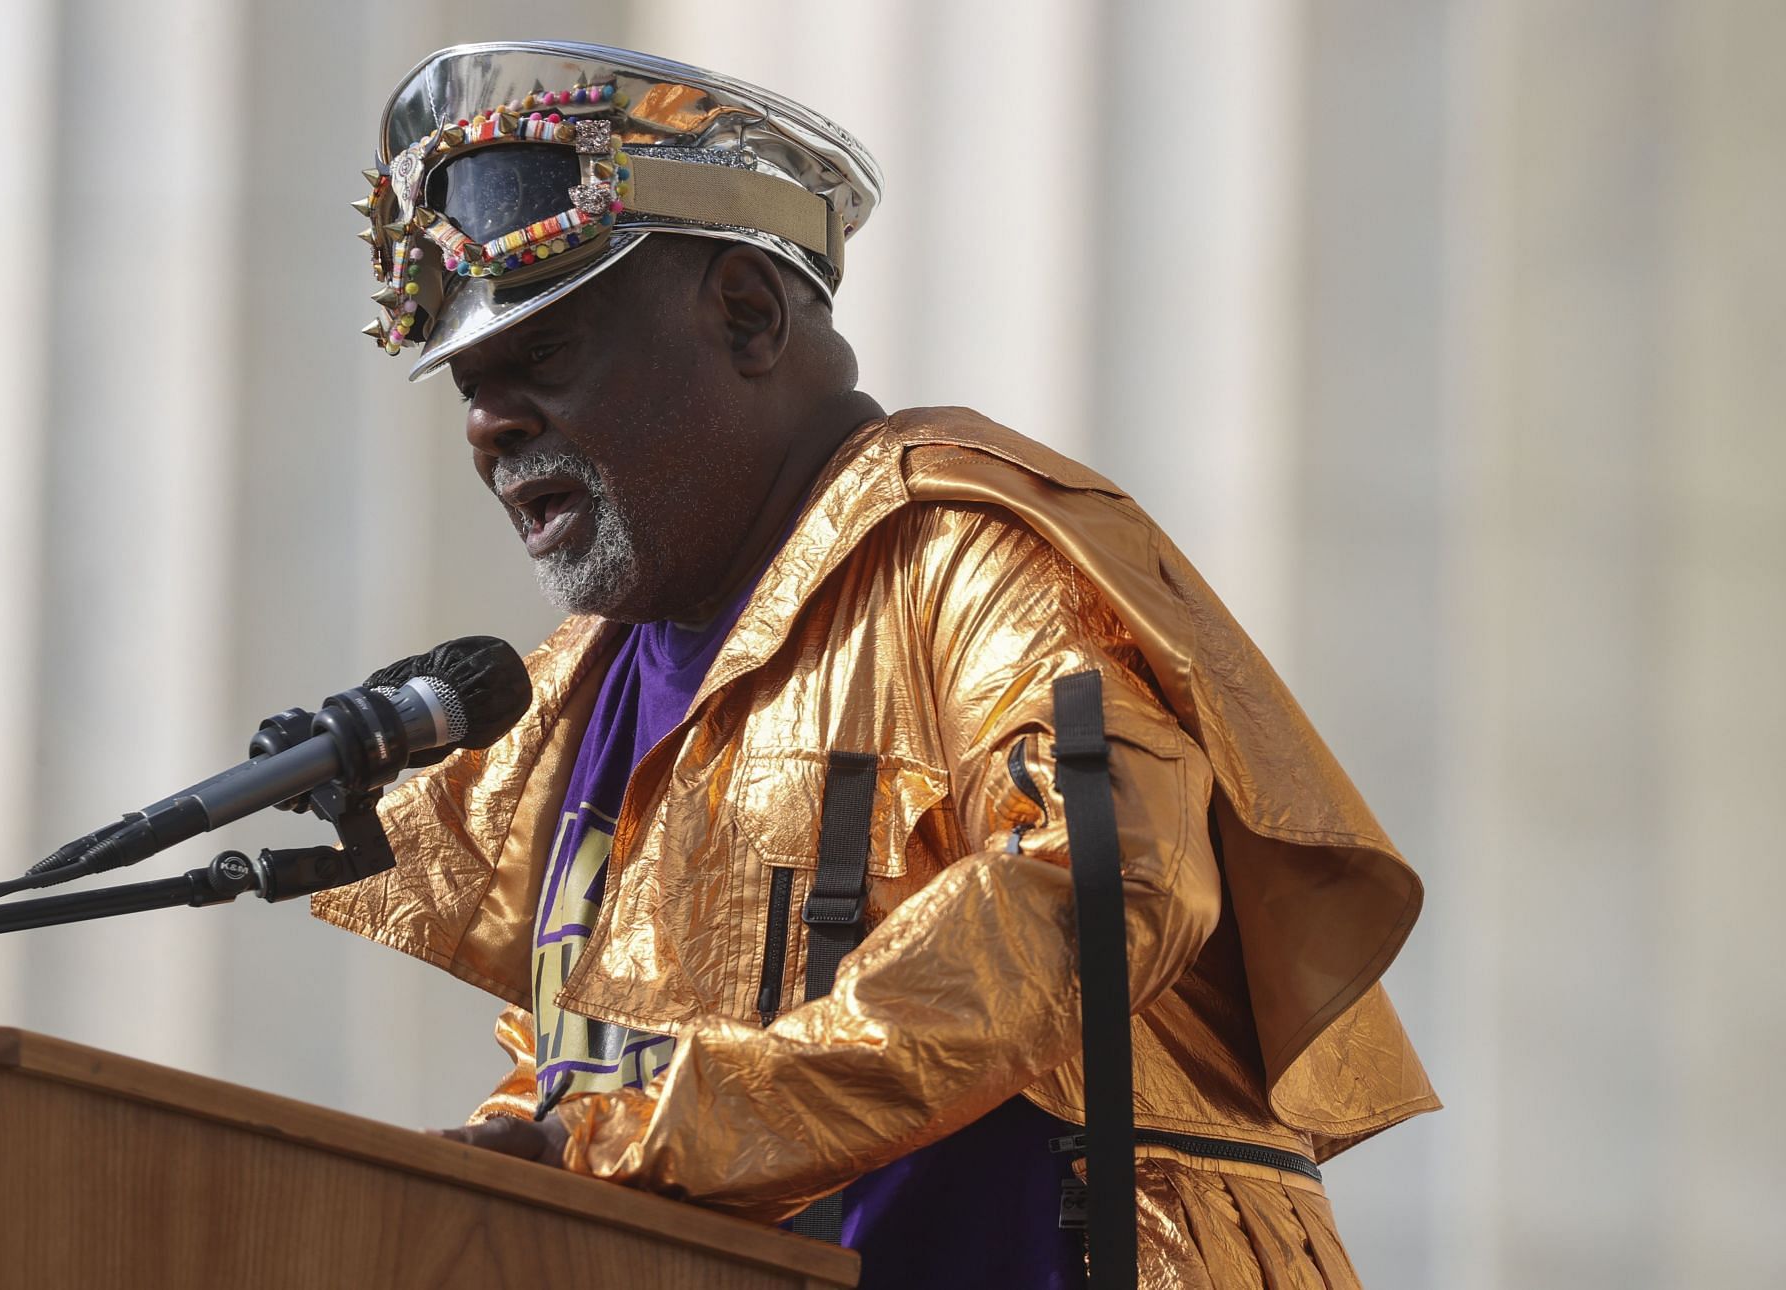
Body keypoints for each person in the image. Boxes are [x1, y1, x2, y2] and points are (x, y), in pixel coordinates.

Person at [313, 41, 1439, 1288]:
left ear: (747, 314)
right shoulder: (591, 679)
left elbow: (1099, 885)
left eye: (544, 356)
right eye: (470, 385)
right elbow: (585, 1072)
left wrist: (651, 1132)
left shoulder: (969, 557)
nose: (488, 424)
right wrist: (490, 1155)